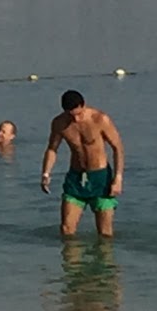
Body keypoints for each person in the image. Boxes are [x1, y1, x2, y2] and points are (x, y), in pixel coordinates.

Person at [41, 89, 124, 237]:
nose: (76, 120)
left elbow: (117, 147)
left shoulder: (100, 119)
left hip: (100, 177)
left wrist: (118, 178)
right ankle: (71, 260)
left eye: (79, 114)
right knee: (66, 230)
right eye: (71, 115)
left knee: (105, 234)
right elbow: (52, 149)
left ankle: (104, 259)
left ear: (84, 105)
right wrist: (46, 173)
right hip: (76, 178)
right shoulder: (59, 123)